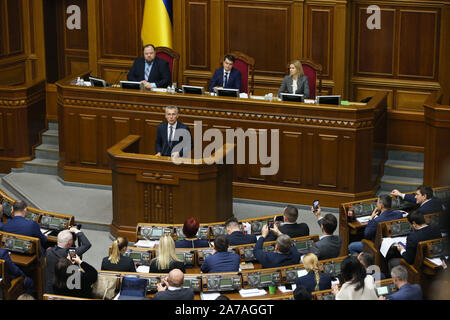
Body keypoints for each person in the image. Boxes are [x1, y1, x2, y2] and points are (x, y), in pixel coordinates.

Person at [44, 228, 92, 293]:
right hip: (66, 288)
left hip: (50, 288)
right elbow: (87, 244)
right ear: (69, 242)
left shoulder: (49, 251)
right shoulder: (71, 253)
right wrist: (76, 231)